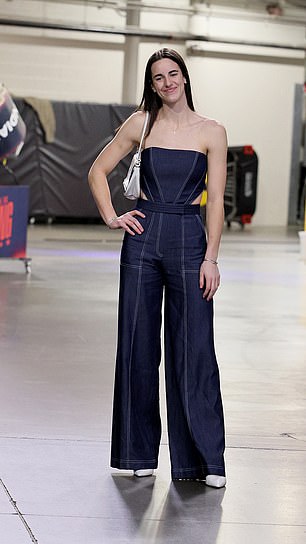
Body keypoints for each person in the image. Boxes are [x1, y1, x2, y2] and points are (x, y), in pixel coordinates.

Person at [88, 48, 227, 488]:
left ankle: (204, 462)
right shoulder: (139, 125)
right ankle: (135, 453)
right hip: (143, 240)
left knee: (194, 349)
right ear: (152, 85)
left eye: (173, 74)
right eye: (158, 78)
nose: (167, 82)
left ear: (184, 78)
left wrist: (211, 258)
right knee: (136, 347)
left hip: (189, 240)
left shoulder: (213, 131)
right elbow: (97, 171)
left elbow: (218, 201)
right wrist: (113, 216)